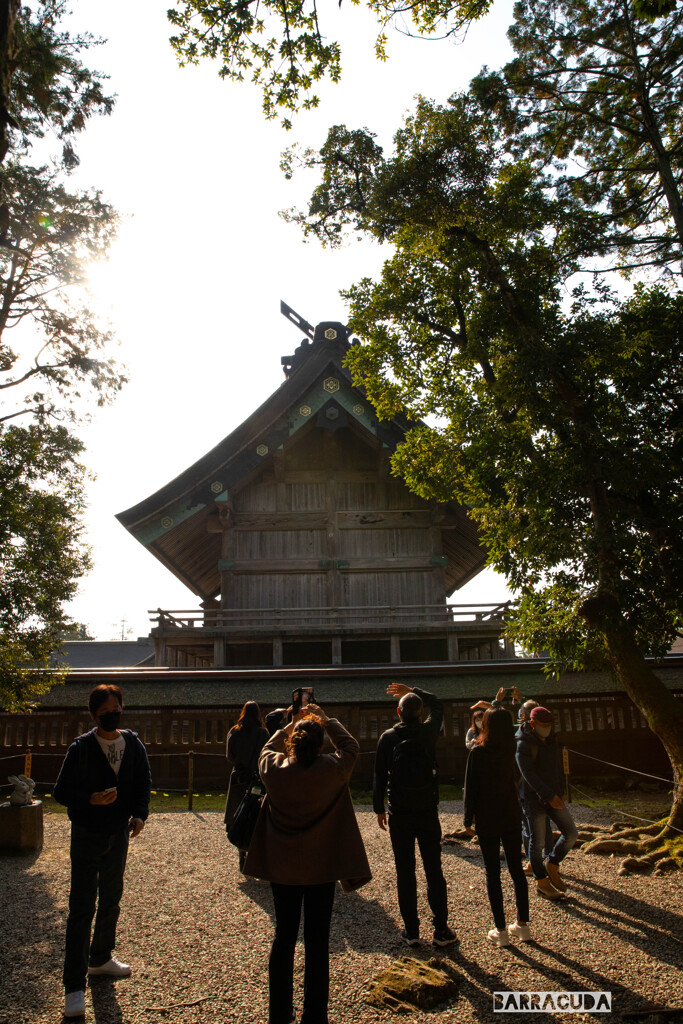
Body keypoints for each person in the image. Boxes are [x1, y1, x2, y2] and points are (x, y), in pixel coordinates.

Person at [244, 703, 371, 1024]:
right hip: (321, 867)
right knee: (317, 942)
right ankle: (315, 1015)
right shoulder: (333, 769)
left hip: (282, 867)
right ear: (320, 745)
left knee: (284, 937)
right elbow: (352, 746)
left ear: (293, 744)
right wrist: (326, 720)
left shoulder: (275, 769)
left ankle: (279, 1013)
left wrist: (290, 724)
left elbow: (265, 750)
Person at [53, 684, 151, 1020]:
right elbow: (61, 791)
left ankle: (100, 956)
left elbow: (142, 783)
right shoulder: (81, 748)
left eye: (117, 709)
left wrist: (139, 814)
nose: (113, 715)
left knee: (111, 898)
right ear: (94, 715)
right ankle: (73, 986)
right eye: (106, 711)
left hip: (118, 832)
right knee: (81, 907)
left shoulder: (133, 744)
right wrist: (90, 799)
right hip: (86, 832)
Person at [373, 682, 457, 948]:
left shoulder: (387, 737)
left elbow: (378, 774)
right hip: (427, 809)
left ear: (398, 712)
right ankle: (441, 930)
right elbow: (439, 703)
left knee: (405, 870)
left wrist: (378, 807)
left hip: (399, 811)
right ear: (421, 713)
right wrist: (413, 689)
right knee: (434, 868)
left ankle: (411, 931)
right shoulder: (429, 731)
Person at [463, 708, 531, 946]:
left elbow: (470, 787)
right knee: (515, 869)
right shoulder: (512, 750)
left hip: (487, 815)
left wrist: (467, 818)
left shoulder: (478, 752)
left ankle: (501, 929)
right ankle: (523, 925)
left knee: (492, 871)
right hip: (511, 812)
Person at [516, 706, 578, 899]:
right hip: (534, 798)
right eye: (543, 725)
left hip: (553, 794)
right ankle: (541, 881)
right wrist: (548, 794)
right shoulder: (523, 743)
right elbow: (528, 774)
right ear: (533, 724)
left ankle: (553, 863)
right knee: (538, 841)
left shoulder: (552, 739)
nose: (547, 728)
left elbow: (556, 766)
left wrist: (558, 791)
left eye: (550, 725)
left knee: (571, 833)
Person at [224, 701, 269, 871]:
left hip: (239, 779)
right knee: (255, 816)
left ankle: (241, 852)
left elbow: (230, 756)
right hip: (257, 779)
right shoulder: (263, 733)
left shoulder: (234, 732)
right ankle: (255, 854)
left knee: (238, 816)